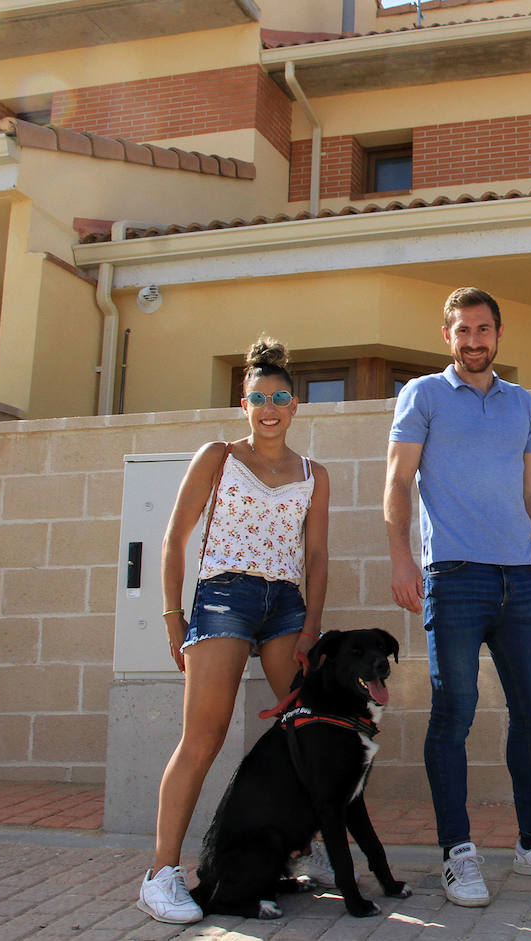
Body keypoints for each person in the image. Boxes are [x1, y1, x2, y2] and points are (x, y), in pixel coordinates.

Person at [384, 287, 531, 907]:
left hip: (518, 580)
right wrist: (402, 560)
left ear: (499, 335)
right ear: (447, 336)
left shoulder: (522, 403)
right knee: (454, 713)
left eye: (483, 330)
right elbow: (397, 482)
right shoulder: (422, 395)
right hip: (453, 577)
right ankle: (458, 854)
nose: (473, 342)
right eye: (462, 332)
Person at [137, 337, 332, 924]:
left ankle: (300, 849)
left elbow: (317, 556)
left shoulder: (313, 473)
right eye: (257, 398)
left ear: (294, 406)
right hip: (224, 597)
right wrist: (174, 618)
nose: (269, 407)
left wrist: (310, 629)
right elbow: (174, 539)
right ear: (242, 403)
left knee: (306, 729)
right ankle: (162, 873)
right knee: (204, 736)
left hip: (286, 607)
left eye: (279, 397)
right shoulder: (218, 457)